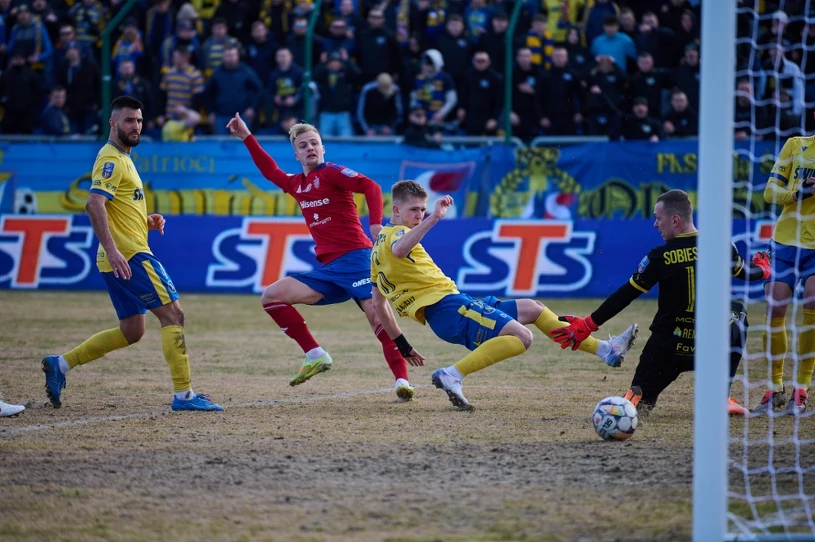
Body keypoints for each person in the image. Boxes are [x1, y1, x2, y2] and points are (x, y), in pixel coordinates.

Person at [370, 181, 639, 410]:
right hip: (449, 308)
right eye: (414, 210)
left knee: (533, 308)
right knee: (523, 338)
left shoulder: (375, 250)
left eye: (423, 210)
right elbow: (400, 249)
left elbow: (378, 304)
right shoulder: (399, 234)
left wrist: (402, 345)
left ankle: (606, 351)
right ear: (395, 210)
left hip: (453, 308)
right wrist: (435, 217)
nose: (420, 214)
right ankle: (452, 375)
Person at [41, 96, 223, 412]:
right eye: (129, 120)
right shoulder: (110, 159)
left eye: (139, 121)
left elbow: (116, 206)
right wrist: (113, 250)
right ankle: (184, 396)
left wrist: (146, 221)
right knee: (174, 314)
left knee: (132, 330)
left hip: (119, 255)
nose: (136, 126)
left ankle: (61, 364)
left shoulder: (124, 158)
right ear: (113, 123)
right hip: (129, 256)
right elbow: (94, 204)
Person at [226, 113, 422, 400]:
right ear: (296, 154)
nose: (310, 148)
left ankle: (402, 381)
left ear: (323, 148)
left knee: (376, 314)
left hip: (356, 258)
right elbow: (270, 172)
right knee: (271, 296)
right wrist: (246, 136)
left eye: (315, 143)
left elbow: (371, 186)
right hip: (329, 269)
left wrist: (376, 224)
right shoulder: (297, 184)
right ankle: (316, 354)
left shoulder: (331, 173)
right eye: (304, 145)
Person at [550, 189, 771, 416]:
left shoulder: (660, 256)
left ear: (675, 220)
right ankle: (720, 396)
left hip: (667, 349)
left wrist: (589, 324)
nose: (655, 224)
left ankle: (637, 398)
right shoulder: (721, 247)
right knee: (738, 313)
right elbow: (747, 273)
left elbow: (627, 294)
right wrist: (764, 269)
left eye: (658, 218)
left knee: (634, 410)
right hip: (709, 347)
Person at [755, 130, 815, 415]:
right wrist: (797, 193)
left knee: (812, 304)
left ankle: (802, 389)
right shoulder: (796, 145)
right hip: (785, 241)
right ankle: (774, 387)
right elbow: (769, 192)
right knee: (775, 306)